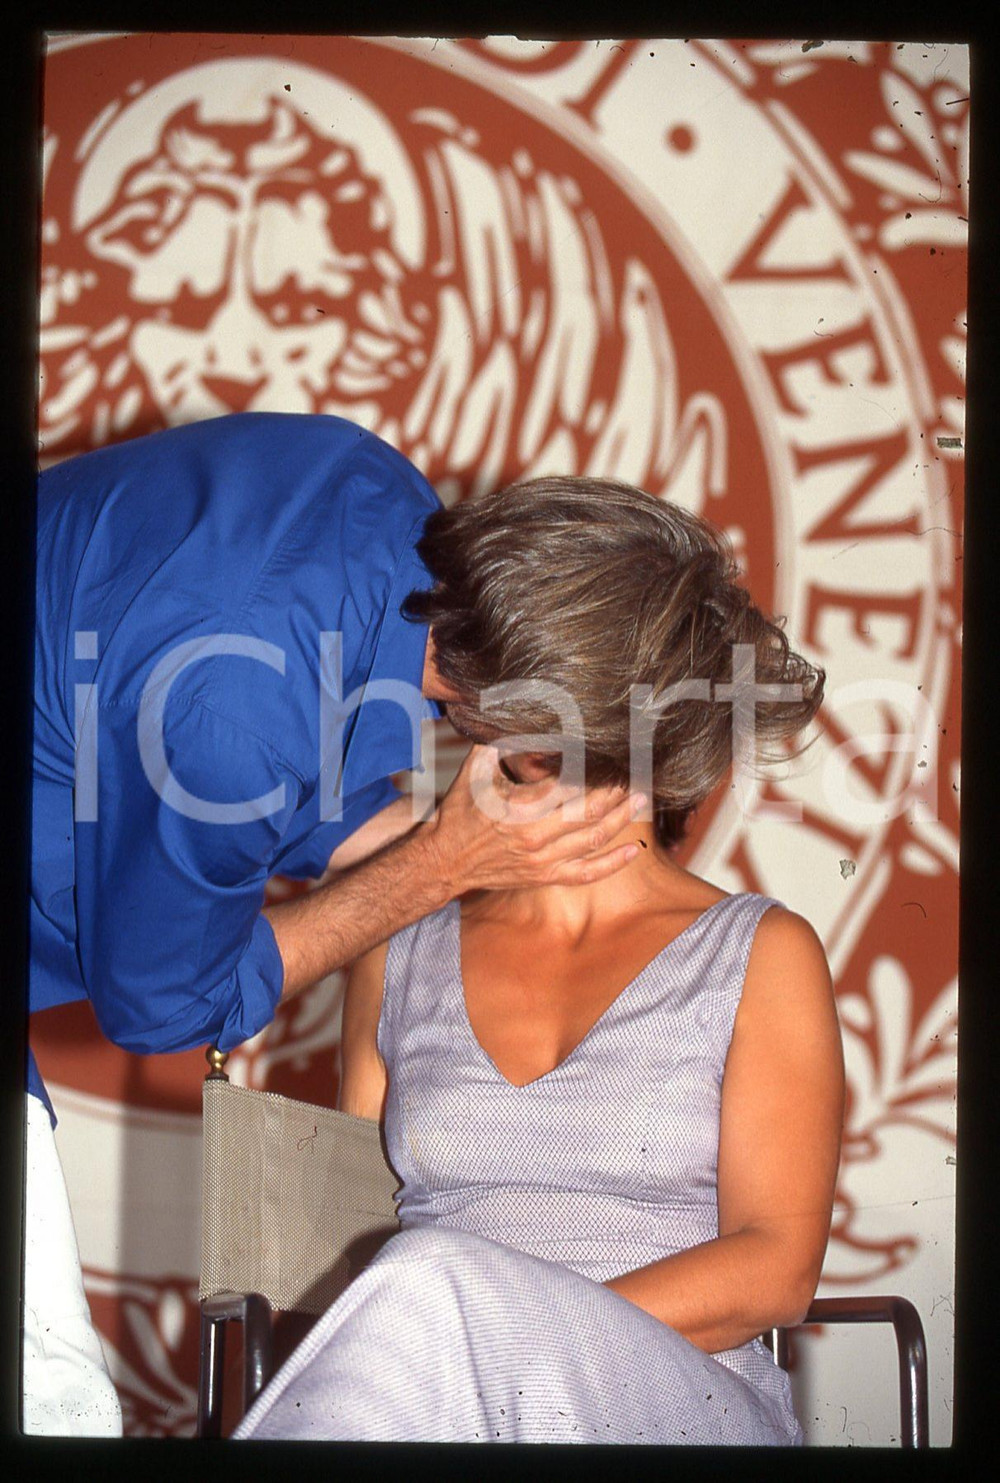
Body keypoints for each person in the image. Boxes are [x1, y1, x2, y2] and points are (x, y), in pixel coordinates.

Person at [25, 416, 639, 1435]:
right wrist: (435, 864)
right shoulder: (234, 712)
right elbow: (166, 1005)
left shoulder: (368, 489)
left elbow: (288, 742)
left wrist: (443, 862)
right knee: (53, 1406)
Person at [232, 477, 845, 1445]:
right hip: (436, 1389)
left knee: (433, 1281)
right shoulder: (402, 941)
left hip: (674, 1391)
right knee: (421, 1286)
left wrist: (502, 1333)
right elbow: (350, 1235)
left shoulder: (760, 954)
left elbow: (773, 1270)